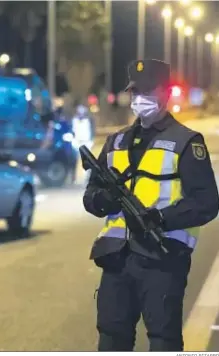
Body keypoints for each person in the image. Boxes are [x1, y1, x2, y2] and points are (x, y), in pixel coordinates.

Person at [83, 59, 219, 351]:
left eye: (148, 91)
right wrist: (102, 199)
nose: (139, 98)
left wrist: (160, 218)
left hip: (162, 259)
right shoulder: (116, 141)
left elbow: (206, 203)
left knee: (162, 341)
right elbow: (90, 196)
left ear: (166, 94)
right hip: (116, 259)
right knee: (111, 338)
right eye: (135, 92)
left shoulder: (186, 142)